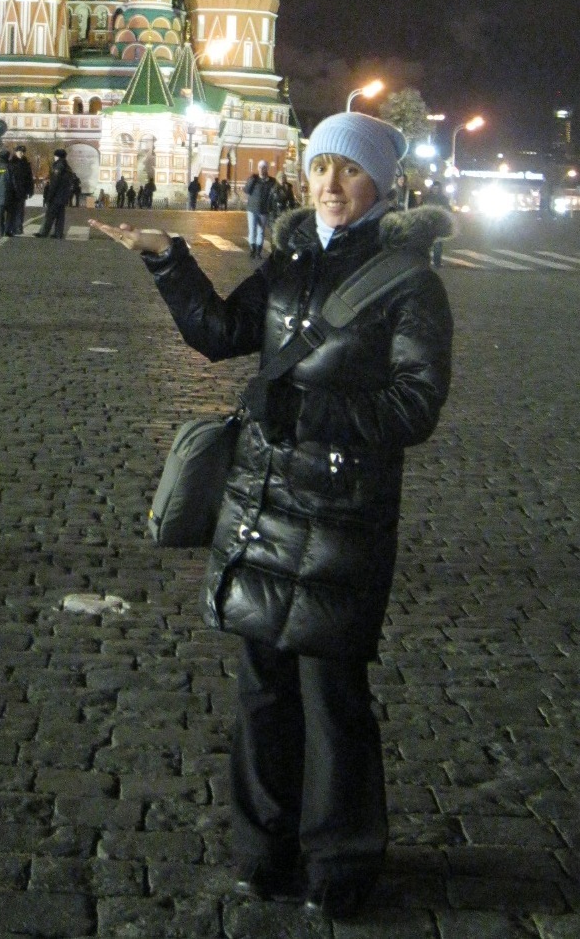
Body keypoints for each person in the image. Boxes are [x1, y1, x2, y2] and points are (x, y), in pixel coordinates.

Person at [90, 111, 454, 922]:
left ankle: (341, 862)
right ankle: (263, 851)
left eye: (348, 170)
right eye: (320, 167)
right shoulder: (289, 260)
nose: (329, 184)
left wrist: (307, 414)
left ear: (379, 183)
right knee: (261, 688)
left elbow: (415, 404)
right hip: (261, 502)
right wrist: (165, 259)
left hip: (340, 511)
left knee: (332, 695)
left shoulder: (408, 281)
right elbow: (221, 334)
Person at [35, 148, 74, 239]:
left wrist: (49, 196)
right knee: (60, 216)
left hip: (56, 195)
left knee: (49, 215)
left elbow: (55, 183)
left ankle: (43, 232)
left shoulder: (58, 166)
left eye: (55, 156)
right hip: (64, 196)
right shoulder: (68, 168)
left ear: (57, 156)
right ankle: (58, 233)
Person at [243, 160, 276, 258]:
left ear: (267, 169)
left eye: (263, 168)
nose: (261, 169)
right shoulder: (254, 179)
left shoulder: (272, 181)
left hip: (263, 210)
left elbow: (274, 194)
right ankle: (252, 250)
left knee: (261, 231)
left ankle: (258, 252)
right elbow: (246, 190)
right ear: (258, 168)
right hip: (252, 209)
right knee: (252, 230)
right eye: (260, 167)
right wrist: (251, 180)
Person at [421, 181, 452, 268]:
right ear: (431, 188)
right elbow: (421, 209)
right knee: (426, 244)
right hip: (428, 223)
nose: (435, 190)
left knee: (437, 244)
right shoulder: (427, 197)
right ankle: (426, 262)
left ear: (440, 189)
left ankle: (436, 263)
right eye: (434, 188)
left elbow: (448, 210)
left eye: (437, 188)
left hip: (438, 224)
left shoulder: (443, 199)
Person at [8, 144, 35, 234]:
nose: (22, 154)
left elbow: (29, 178)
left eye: (23, 152)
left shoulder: (26, 163)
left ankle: (19, 227)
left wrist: (30, 190)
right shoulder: (11, 163)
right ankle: (11, 227)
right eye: (20, 152)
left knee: (20, 210)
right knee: (12, 210)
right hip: (12, 191)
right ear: (16, 152)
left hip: (22, 191)